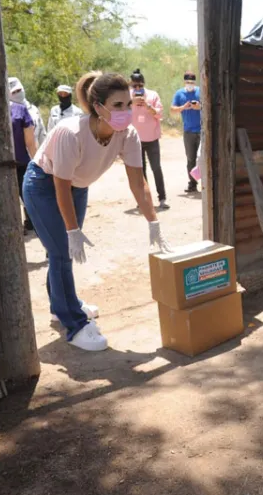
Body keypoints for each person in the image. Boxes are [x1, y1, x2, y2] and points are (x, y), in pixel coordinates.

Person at [23, 71, 173, 352]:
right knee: (61, 250)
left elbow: (138, 183)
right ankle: (75, 324)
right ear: (98, 107)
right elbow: (60, 186)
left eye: (128, 104)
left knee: (60, 252)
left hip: (77, 187)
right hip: (43, 184)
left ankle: (61, 306)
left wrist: (154, 221)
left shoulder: (127, 135)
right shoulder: (71, 132)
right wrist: (72, 230)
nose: (126, 112)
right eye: (118, 106)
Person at [129, 69, 169, 209]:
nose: (138, 88)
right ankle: (144, 199)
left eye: (140, 85)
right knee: (140, 171)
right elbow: (120, 113)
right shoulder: (127, 97)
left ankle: (162, 198)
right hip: (135, 140)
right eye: (135, 86)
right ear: (131, 85)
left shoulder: (152, 95)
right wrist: (131, 103)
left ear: (144, 84)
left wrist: (147, 105)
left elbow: (158, 114)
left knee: (156, 168)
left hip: (152, 138)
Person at [170, 71, 202, 193]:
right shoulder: (179, 93)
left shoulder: (200, 91)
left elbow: (208, 105)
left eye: (192, 82)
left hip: (201, 130)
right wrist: (183, 107)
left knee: (202, 158)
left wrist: (199, 106)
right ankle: (192, 183)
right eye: (188, 82)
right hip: (188, 131)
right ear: (184, 82)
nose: (190, 84)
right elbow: (172, 109)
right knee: (190, 159)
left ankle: (207, 183)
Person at [9, 96, 37, 233]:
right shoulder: (19, 110)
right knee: (26, 197)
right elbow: (30, 142)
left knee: (25, 197)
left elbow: (30, 141)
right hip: (13, 164)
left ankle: (28, 224)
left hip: (18, 164)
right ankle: (26, 225)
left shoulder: (20, 109)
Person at [9, 77, 46, 151]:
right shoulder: (8, 113)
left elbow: (42, 134)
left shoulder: (33, 109)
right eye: (13, 92)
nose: (17, 94)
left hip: (36, 155)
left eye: (19, 90)